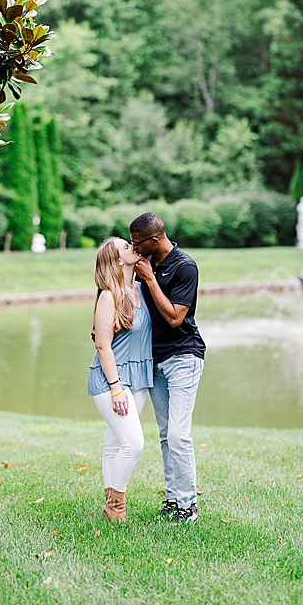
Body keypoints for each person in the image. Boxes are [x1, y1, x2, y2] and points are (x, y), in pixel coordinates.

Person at [129, 212, 206, 523]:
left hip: (184, 356)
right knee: (164, 435)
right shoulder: (147, 263)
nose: (134, 248)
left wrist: (148, 278)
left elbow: (175, 318)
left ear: (155, 240)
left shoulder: (184, 266)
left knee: (178, 435)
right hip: (155, 359)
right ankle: (173, 499)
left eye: (138, 242)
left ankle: (189, 506)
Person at [87, 237, 153, 522]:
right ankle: (116, 508)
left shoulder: (138, 288)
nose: (132, 247)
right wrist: (116, 390)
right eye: (125, 247)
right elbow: (102, 345)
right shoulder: (108, 295)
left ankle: (110, 505)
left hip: (138, 378)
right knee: (134, 443)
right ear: (116, 260)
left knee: (115, 443)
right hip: (112, 381)